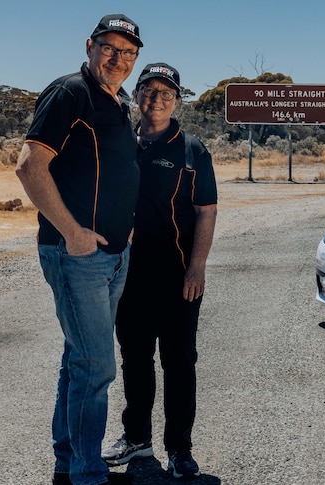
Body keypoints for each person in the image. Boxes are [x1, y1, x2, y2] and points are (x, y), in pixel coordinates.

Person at [15, 14, 143, 485]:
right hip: (77, 257)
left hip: (112, 255)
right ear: (89, 46)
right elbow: (30, 167)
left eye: (128, 53)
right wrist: (72, 233)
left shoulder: (118, 101)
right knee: (96, 366)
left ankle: (69, 459)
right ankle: (88, 473)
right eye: (109, 48)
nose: (118, 59)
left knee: (79, 360)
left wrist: (124, 229)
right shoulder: (70, 91)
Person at [101, 62, 217, 480]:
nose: (156, 99)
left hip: (178, 277)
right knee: (134, 360)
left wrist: (197, 267)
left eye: (166, 93)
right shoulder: (119, 143)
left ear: (176, 101)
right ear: (136, 96)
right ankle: (136, 440)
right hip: (127, 274)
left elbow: (206, 212)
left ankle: (180, 449)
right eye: (149, 91)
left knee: (179, 362)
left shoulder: (192, 149)